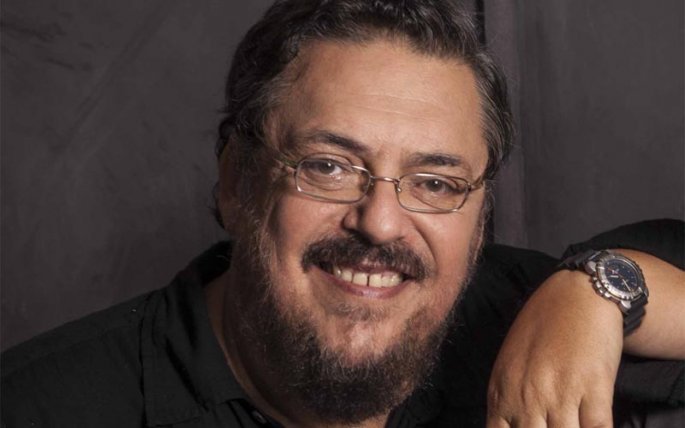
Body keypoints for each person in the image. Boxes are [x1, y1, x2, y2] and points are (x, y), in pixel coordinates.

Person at [2, 1, 683, 427]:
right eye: (328, 166)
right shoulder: (39, 407)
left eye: (435, 182)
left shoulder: (516, 313)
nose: (380, 223)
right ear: (237, 181)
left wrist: (598, 289)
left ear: (480, 215)